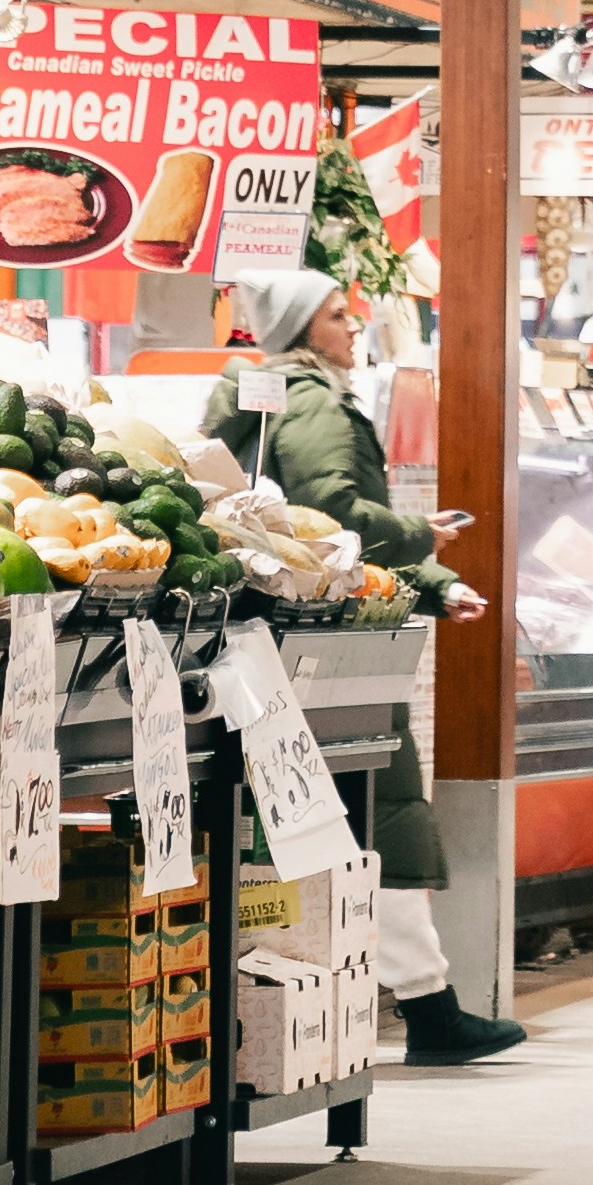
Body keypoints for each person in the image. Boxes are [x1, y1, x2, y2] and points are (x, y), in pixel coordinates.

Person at [203, 272, 522, 1068]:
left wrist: (436, 585)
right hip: (322, 643)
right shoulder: (311, 400)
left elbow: (322, 542)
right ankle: (427, 1008)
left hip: (290, 632)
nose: (355, 326)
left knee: (337, 818)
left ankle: (414, 1001)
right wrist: (422, 537)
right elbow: (332, 520)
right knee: (379, 807)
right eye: (340, 315)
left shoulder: (282, 395)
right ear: (305, 328)